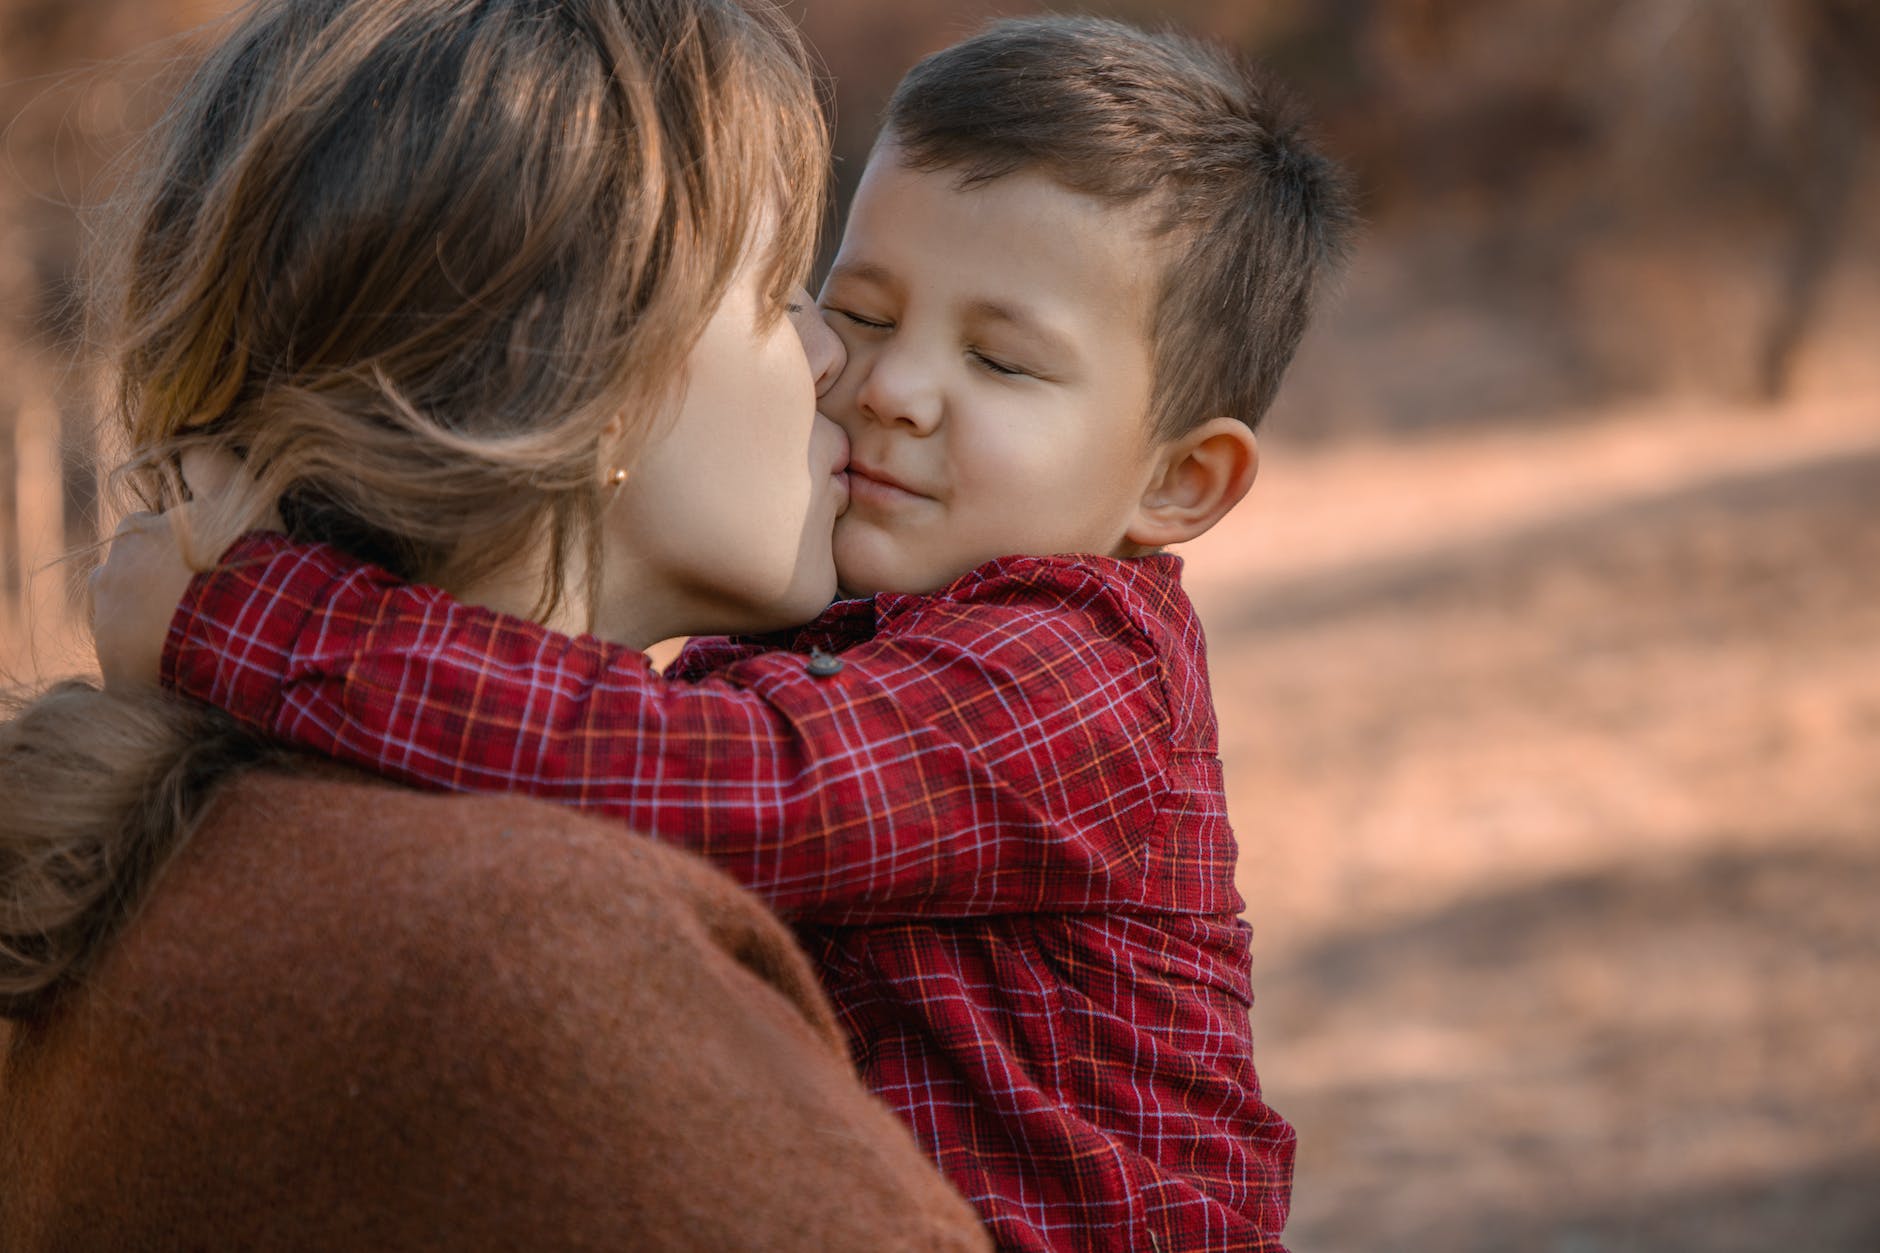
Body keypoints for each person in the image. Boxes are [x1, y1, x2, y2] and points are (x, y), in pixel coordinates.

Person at [96, 16, 1356, 1251]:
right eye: (853, 306)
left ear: (1178, 484)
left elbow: (713, 782)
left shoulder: (1073, 667)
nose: (880, 386)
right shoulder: (835, 639)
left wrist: (254, 612)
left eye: (1001, 362)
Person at [0, 0, 989, 1247]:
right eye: (777, 288)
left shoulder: (196, 861)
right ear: (597, 375)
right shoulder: (534, 959)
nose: (834, 358)